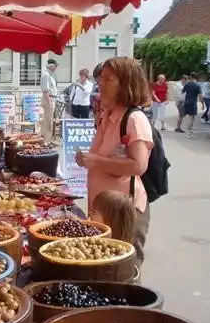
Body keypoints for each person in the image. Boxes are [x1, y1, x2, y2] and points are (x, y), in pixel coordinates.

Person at [76, 57, 153, 268]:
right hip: (103, 209)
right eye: (100, 81)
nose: (101, 86)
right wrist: (87, 160)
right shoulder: (107, 115)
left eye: (108, 80)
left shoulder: (134, 119)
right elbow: (103, 156)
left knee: (125, 268)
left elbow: (138, 165)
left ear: (126, 84)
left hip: (123, 211)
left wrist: (96, 161)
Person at [41, 59, 58, 142]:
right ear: (51, 66)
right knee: (49, 123)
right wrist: (49, 102)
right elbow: (45, 90)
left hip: (51, 99)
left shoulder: (50, 75)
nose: (56, 67)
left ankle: (46, 141)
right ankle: (46, 142)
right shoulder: (46, 75)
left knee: (48, 122)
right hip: (49, 99)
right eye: (55, 65)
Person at [180, 74, 202, 138]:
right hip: (193, 103)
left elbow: (182, 92)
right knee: (191, 118)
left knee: (190, 117)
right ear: (196, 78)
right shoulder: (198, 86)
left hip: (187, 102)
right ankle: (188, 132)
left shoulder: (187, 84)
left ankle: (190, 130)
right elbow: (200, 96)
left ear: (191, 77)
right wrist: (203, 104)